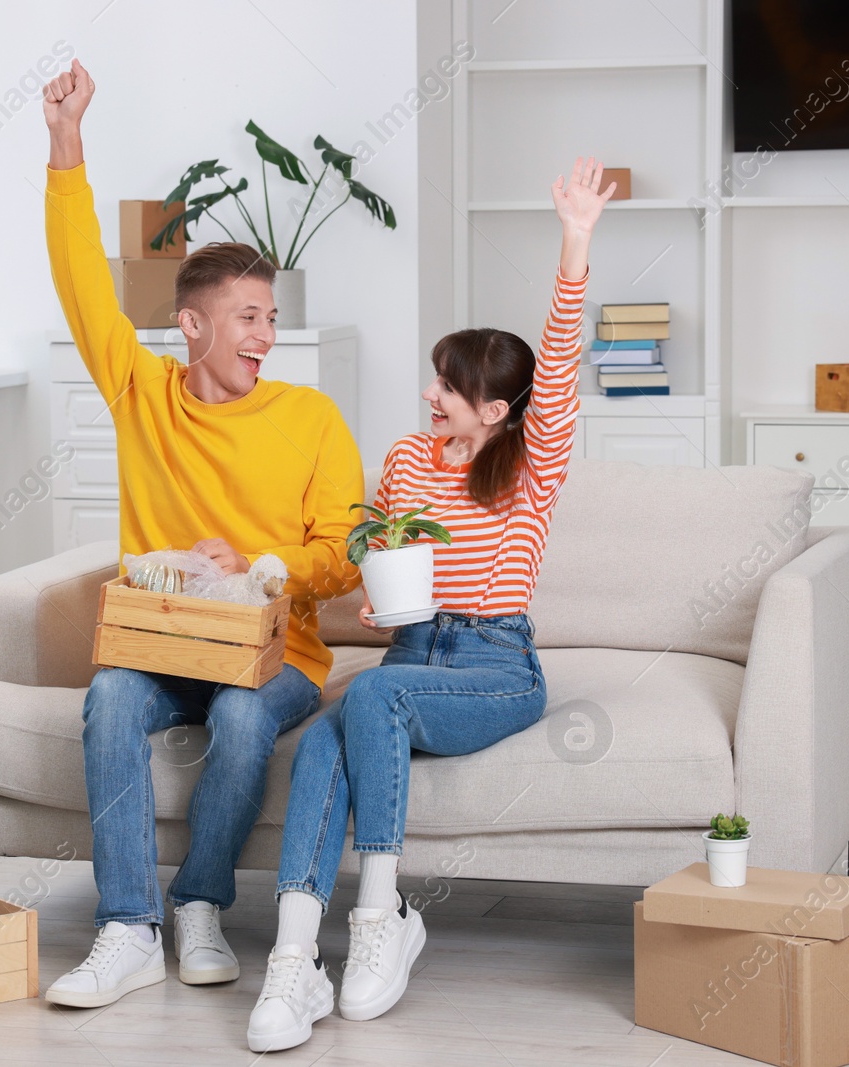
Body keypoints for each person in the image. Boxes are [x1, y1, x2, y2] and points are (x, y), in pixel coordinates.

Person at [245, 157, 614, 1052]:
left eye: (445, 386)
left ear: (492, 408)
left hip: (495, 664)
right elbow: (384, 547)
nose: (428, 395)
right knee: (331, 732)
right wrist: (383, 599)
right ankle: (295, 960)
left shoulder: (532, 464)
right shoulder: (411, 459)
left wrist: (576, 239)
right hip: (413, 653)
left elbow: (556, 364)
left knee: (366, 696)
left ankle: (381, 911)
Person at [39, 59, 364, 1009]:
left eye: (270, 316)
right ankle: (128, 926)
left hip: (281, 654)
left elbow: (344, 558)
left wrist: (264, 568)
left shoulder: (310, 417)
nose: (265, 333)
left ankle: (200, 904)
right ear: (192, 326)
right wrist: (67, 146)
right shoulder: (141, 394)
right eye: (248, 317)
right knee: (108, 699)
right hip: (167, 643)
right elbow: (78, 283)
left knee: (239, 714)